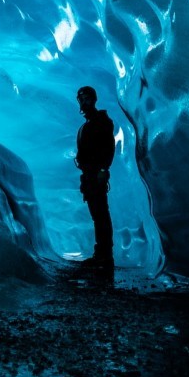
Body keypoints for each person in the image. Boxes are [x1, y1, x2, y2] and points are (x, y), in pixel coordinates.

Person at [75, 85, 115, 267]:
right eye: (81, 99)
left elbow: (109, 148)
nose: (83, 102)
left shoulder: (102, 121)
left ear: (94, 99)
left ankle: (105, 255)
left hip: (96, 175)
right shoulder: (87, 126)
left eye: (86, 98)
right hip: (89, 176)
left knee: (101, 215)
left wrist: (102, 170)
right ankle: (101, 253)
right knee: (97, 215)